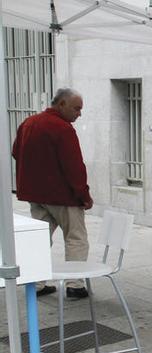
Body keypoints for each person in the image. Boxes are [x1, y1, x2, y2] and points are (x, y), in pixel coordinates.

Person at [12, 87, 93, 299]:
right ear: (62, 104)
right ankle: (75, 285)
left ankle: (37, 284)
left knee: (40, 238)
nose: (79, 113)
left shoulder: (29, 123)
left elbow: (15, 152)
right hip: (62, 196)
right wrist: (84, 195)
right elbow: (74, 166)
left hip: (36, 194)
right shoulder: (63, 129)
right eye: (77, 108)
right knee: (76, 238)